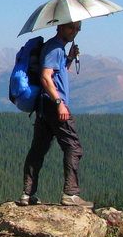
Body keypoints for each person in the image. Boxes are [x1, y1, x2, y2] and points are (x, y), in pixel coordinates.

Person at [18, 20, 93, 208]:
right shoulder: (54, 48)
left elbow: (55, 73)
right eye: (71, 27)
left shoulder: (57, 49)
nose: (74, 32)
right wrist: (59, 103)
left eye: (77, 29)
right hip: (53, 105)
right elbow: (45, 76)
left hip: (44, 106)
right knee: (73, 147)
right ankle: (71, 194)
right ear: (59, 26)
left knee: (38, 149)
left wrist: (69, 58)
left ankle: (27, 194)